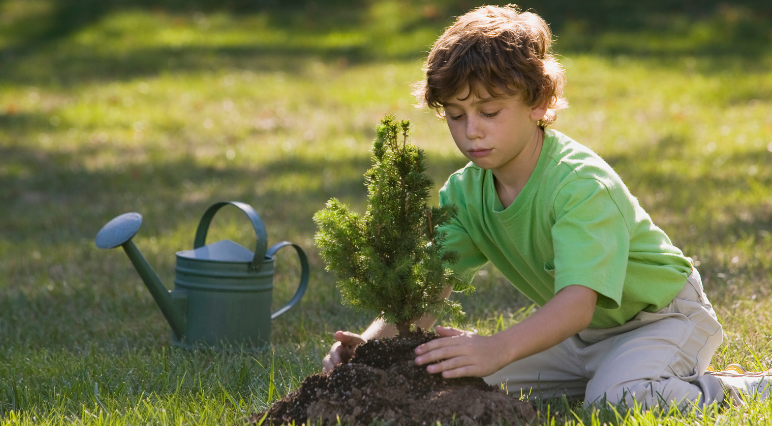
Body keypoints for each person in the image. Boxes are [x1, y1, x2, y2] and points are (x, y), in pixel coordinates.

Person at [322, 4, 770, 410]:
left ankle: (740, 389)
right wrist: (369, 345)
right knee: (453, 378)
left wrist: (497, 347)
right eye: (456, 116)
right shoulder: (464, 192)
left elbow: (576, 302)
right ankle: (617, 372)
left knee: (617, 400)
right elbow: (428, 290)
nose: (471, 131)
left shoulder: (578, 185)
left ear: (538, 102)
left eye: (489, 112)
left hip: (661, 319)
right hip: (580, 337)